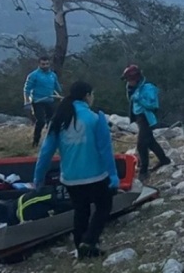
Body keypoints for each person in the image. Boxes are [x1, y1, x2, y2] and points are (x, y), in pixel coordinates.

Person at [32, 80, 119, 259]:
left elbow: (46, 152)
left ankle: (82, 250)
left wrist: (38, 177)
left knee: (81, 211)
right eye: (92, 94)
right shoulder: (96, 117)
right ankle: (90, 241)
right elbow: (105, 150)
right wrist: (113, 175)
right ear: (87, 96)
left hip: (70, 178)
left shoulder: (59, 118)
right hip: (96, 175)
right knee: (104, 206)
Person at [121, 65, 171, 179]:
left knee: (141, 144)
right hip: (139, 117)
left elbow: (153, 105)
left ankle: (144, 170)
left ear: (137, 78)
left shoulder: (148, 88)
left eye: (130, 80)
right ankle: (164, 159)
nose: (129, 82)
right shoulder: (132, 88)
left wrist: (140, 100)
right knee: (150, 141)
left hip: (146, 118)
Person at [23, 56, 62, 147]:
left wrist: (60, 95)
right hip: (37, 101)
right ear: (39, 64)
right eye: (43, 64)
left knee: (52, 121)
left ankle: (51, 142)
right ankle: (35, 141)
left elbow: (57, 87)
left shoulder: (53, 75)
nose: (45, 66)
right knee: (40, 121)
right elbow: (27, 89)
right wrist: (27, 101)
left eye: (47, 64)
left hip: (50, 100)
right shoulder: (33, 75)